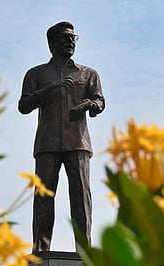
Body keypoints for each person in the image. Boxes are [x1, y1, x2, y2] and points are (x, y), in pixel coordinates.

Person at [18, 21, 105, 252]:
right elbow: (24, 105)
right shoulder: (36, 74)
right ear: (52, 43)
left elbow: (100, 101)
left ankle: (85, 250)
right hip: (47, 143)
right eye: (65, 38)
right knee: (44, 196)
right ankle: (40, 250)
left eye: (73, 38)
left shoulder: (88, 74)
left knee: (81, 197)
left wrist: (90, 105)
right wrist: (50, 89)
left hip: (78, 142)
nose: (70, 42)